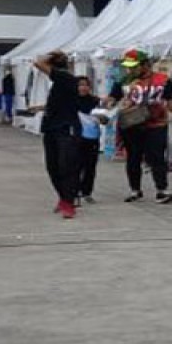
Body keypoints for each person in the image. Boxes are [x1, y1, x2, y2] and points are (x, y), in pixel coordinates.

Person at [109, 49, 172, 204]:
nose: (130, 69)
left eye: (134, 66)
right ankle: (135, 190)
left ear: (146, 65)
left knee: (157, 157)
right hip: (131, 126)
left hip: (156, 124)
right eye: (128, 66)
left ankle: (162, 190)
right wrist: (109, 105)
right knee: (133, 158)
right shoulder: (123, 81)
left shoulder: (163, 80)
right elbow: (112, 98)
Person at [33, 51, 80, 219]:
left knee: (66, 165)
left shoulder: (65, 77)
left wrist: (53, 53)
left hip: (65, 129)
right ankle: (63, 198)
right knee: (52, 166)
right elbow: (56, 103)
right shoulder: (60, 83)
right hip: (51, 128)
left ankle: (69, 202)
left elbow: (38, 62)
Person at [75, 76, 102, 205]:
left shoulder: (95, 101)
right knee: (76, 166)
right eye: (80, 85)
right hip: (76, 137)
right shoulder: (71, 101)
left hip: (92, 137)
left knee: (90, 166)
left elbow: (104, 118)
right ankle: (74, 192)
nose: (83, 87)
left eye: (85, 85)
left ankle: (87, 192)